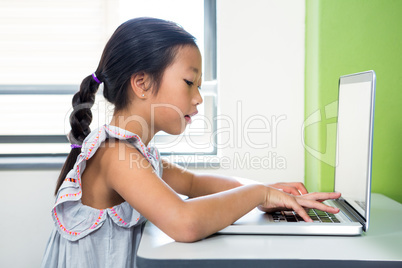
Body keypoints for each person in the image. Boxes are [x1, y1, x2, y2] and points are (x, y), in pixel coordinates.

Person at [41, 17, 341, 267]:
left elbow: (195, 183)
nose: (198, 98)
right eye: (189, 83)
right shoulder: (115, 155)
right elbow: (185, 222)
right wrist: (257, 194)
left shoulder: (136, 154)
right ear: (142, 83)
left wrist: (270, 191)